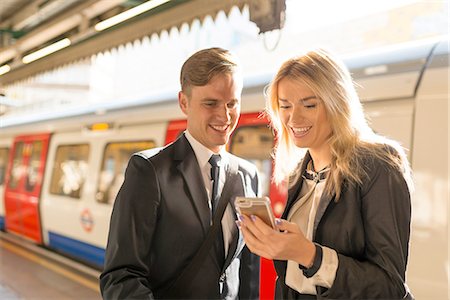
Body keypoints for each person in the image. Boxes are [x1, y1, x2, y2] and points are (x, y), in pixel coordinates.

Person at [238, 49, 414, 299]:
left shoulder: (379, 165)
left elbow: (389, 286)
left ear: (338, 103)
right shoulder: (298, 172)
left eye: (309, 105)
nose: (293, 118)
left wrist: (310, 255)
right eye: (285, 106)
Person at [100, 48, 260, 299]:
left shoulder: (248, 175)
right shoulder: (149, 170)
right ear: (184, 102)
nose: (225, 115)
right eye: (211, 103)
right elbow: (120, 276)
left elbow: (248, 267)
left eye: (232, 103)